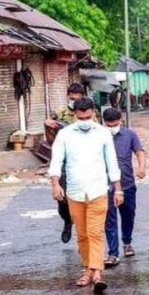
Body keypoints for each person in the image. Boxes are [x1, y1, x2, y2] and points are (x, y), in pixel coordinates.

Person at [48, 98, 121, 293]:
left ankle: (96, 273)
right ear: (74, 115)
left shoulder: (103, 134)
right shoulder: (64, 135)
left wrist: (118, 188)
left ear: (93, 114)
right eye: (81, 118)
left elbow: (111, 162)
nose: (85, 121)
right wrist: (55, 185)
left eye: (88, 117)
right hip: (75, 192)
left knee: (95, 232)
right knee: (82, 234)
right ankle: (88, 269)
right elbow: (56, 161)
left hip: (98, 190)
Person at [102, 108, 146, 267]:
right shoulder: (100, 136)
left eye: (114, 124)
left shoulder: (129, 135)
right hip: (105, 185)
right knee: (109, 219)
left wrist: (141, 167)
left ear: (120, 121)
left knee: (128, 215)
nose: (112, 127)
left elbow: (139, 151)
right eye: (108, 125)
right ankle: (113, 253)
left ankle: (127, 241)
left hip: (127, 182)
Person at [44, 83, 85, 244]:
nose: (74, 100)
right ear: (68, 96)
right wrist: (47, 127)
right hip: (64, 161)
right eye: (72, 97)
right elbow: (51, 142)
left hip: (84, 160)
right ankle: (68, 222)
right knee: (62, 199)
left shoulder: (89, 113)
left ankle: (84, 230)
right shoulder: (60, 115)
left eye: (77, 97)